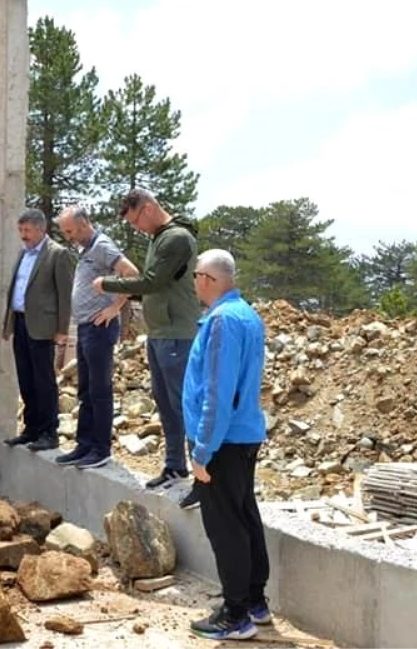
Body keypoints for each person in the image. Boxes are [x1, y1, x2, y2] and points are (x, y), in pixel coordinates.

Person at [94, 189, 202, 508]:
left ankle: (205, 480)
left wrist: (109, 284)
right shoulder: (159, 238)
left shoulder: (176, 238)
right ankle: (175, 466)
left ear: (150, 207)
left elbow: (152, 281)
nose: (137, 227)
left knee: (187, 406)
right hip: (159, 333)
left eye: (136, 219)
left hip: (177, 335)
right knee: (166, 405)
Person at [185, 249, 271, 642]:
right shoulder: (247, 315)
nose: (194, 284)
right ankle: (255, 600)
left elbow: (218, 394)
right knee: (244, 516)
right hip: (244, 434)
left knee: (226, 527)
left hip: (224, 440)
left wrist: (202, 452)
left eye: (195, 276)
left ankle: (236, 614)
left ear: (207, 279)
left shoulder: (221, 321)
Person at [55, 205, 139, 469]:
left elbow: (132, 273)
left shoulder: (102, 245)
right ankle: (84, 444)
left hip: (100, 328)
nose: (67, 236)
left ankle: (101, 449)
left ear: (83, 224)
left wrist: (114, 307)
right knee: (86, 389)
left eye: (69, 230)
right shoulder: (85, 249)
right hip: (85, 326)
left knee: (100, 390)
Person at [2, 207, 76, 452]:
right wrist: (8, 323)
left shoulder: (58, 254)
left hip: (43, 327)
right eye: (21, 230)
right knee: (26, 378)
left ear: (41, 229)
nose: (23, 235)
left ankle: (48, 431)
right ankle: (31, 428)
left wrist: (62, 329)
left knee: (43, 380)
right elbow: (17, 290)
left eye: (27, 230)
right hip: (21, 323)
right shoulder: (23, 254)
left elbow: (65, 295)